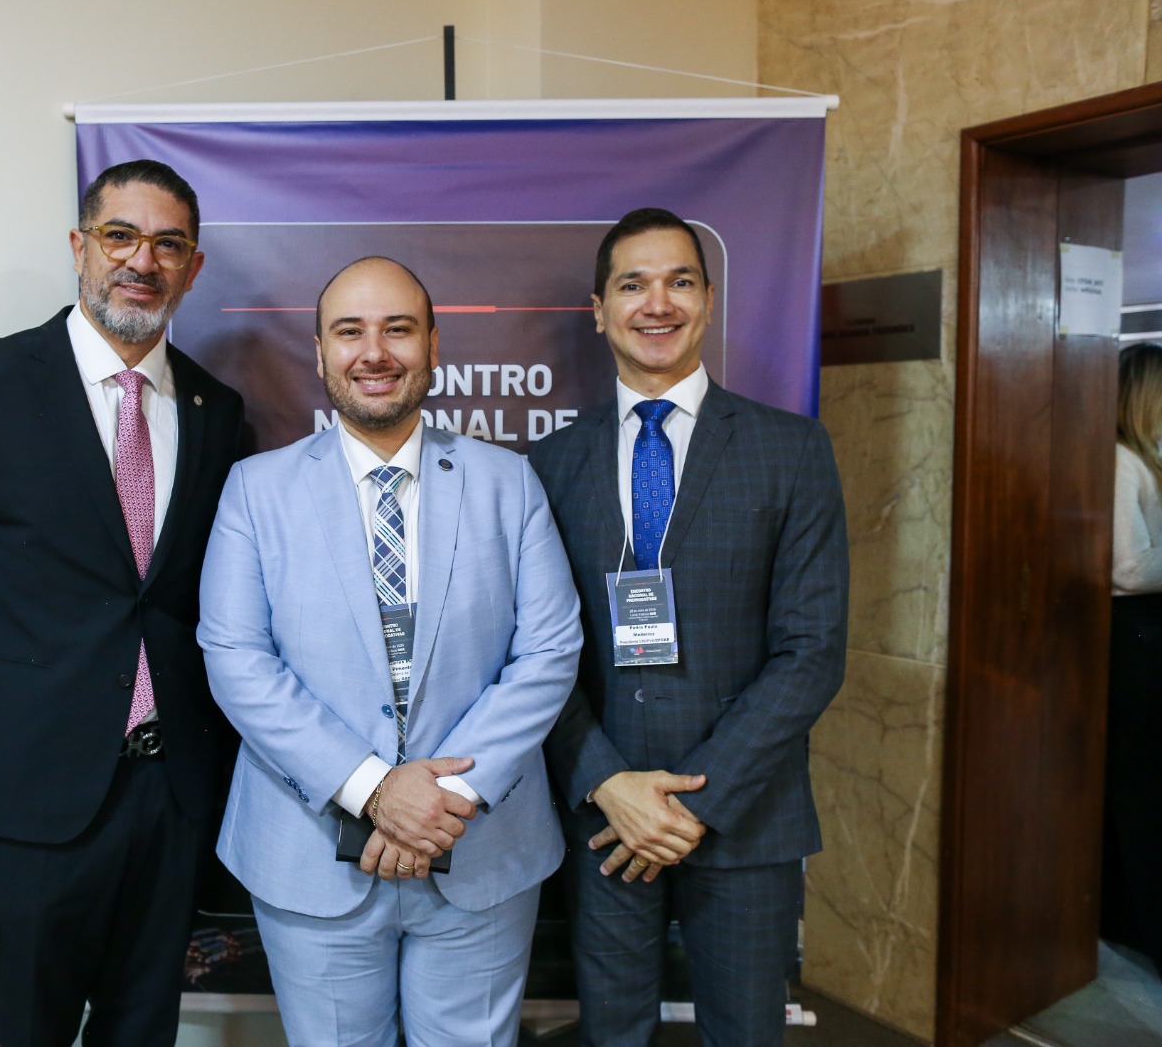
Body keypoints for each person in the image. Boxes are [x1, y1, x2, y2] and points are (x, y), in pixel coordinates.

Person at [0, 159, 244, 1046]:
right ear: (80, 247)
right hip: (26, 802)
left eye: (168, 245)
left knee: (142, 1030)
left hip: (172, 797)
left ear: (193, 268)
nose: (142, 261)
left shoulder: (218, 410)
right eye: (120, 236)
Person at [197, 256, 582, 1047]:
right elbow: (236, 658)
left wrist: (442, 803)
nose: (374, 352)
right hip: (311, 856)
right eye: (350, 332)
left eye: (398, 329)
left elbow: (549, 651)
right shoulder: (254, 491)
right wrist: (374, 791)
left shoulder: (508, 483)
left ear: (433, 345)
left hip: (479, 847)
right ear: (319, 353)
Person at [529, 208, 849, 1047]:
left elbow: (812, 651)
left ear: (708, 300)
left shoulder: (792, 450)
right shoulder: (549, 464)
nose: (657, 303)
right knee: (612, 1033)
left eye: (679, 282)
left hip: (747, 814)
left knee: (746, 1033)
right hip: (605, 817)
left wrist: (692, 804)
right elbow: (533, 652)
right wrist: (607, 782)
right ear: (599, 309)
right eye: (632, 284)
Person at [1102, 341, 1162, 972]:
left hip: (1146, 632)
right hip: (1135, 634)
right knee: (1139, 786)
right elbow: (1128, 567)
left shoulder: (1143, 458)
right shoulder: (1120, 462)